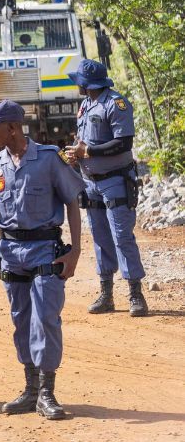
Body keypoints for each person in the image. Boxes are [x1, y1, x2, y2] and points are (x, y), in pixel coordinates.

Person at [0, 100, 84, 421]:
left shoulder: (47, 159)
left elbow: (72, 202)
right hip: (11, 254)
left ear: (13, 128)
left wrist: (75, 250)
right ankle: (30, 389)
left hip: (46, 250)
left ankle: (47, 392)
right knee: (21, 320)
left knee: (45, 318)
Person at [64, 59, 148, 316]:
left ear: (88, 83)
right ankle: (107, 294)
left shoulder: (115, 103)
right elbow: (84, 140)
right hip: (91, 183)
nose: (76, 84)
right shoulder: (86, 104)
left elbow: (124, 142)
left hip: (115, 181)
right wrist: (76, 154)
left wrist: (87, 151)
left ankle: (136, 294)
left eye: (79, 80)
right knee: (100, 239)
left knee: (122, 237)